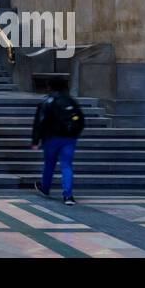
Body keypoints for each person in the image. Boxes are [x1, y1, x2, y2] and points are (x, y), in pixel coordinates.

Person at [31, 77, 86, 205]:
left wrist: (35, 140)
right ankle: (68, 196)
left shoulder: (47, 101)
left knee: (49, 164)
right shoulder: (71, 101)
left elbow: (39, 122)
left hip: (51, 138)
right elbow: (81, 120)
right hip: (69, 139)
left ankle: (45, 188)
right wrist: (75, 134)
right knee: (67, 165)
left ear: (50, 87)